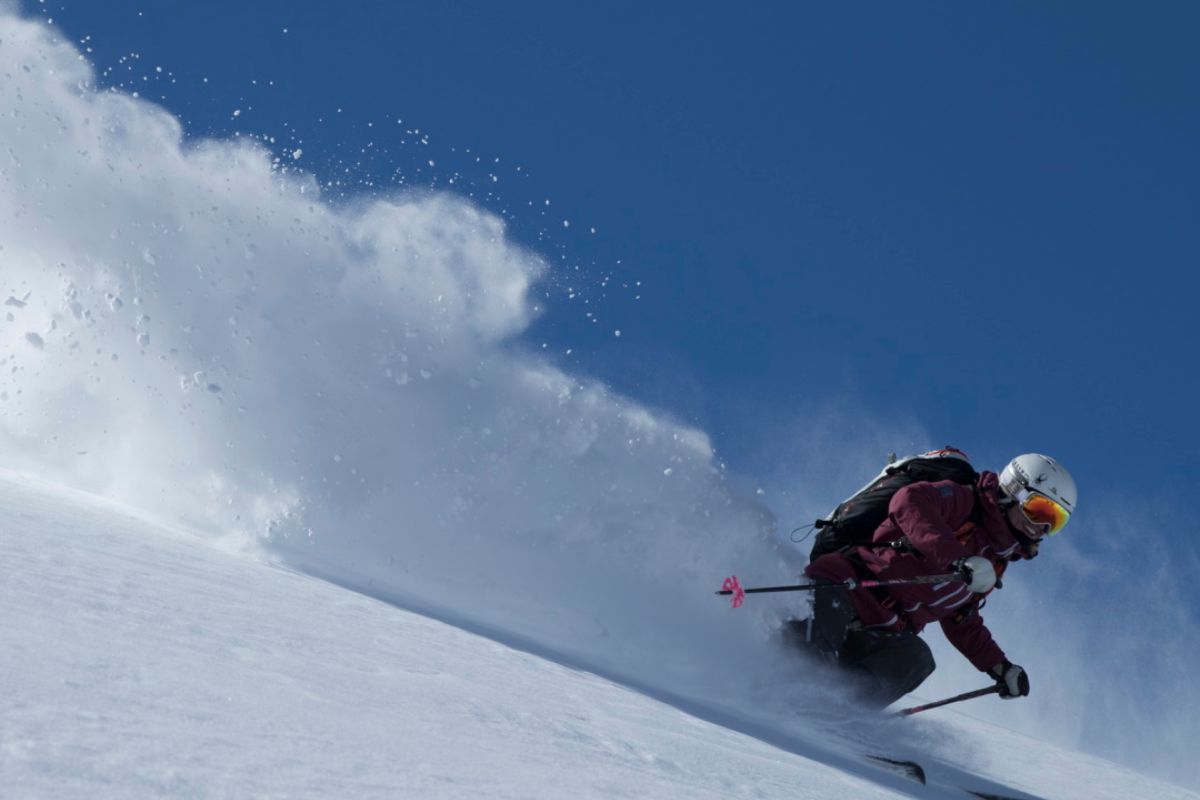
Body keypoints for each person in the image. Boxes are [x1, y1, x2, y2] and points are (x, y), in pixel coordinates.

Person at [790, 453, 1076, 710]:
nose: (1042, 527)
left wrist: (999, 667)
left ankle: (838, 714)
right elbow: (909, 501)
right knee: (811, 664)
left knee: (916, 659)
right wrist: (955, 558)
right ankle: (791, 691)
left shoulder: (994, 561)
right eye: (1039, 511)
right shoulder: (966, 503)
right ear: (1015, 490)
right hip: (843, 587)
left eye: (1056, 521)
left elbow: (961, 619)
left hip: (881, 629)